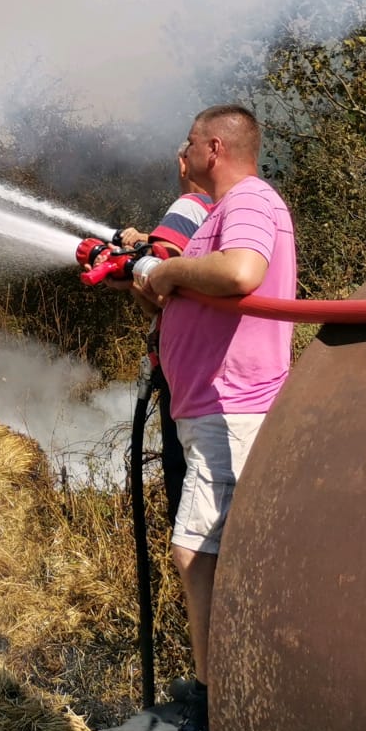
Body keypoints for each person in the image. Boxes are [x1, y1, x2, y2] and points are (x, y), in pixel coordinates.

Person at [130, 104, 296, 731]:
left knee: (197, 554)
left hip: (236, 411)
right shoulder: (215, 216)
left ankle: (214, 707)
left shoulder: (249, 199)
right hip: (212, 412)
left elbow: (242, 273)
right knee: (213, 553)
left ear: (215, 148)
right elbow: (191, 286)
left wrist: (170, 273)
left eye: (190, 143)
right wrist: (151, 272)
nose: (183, 154)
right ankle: (225, 686)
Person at [115, 153, 215, 530]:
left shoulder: (190, 205)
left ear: (184, 163)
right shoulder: (224, 214)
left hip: (185, 378)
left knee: (185, 486)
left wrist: (132, 266)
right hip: (211, 372)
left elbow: (157, 285)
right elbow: (166, 303)